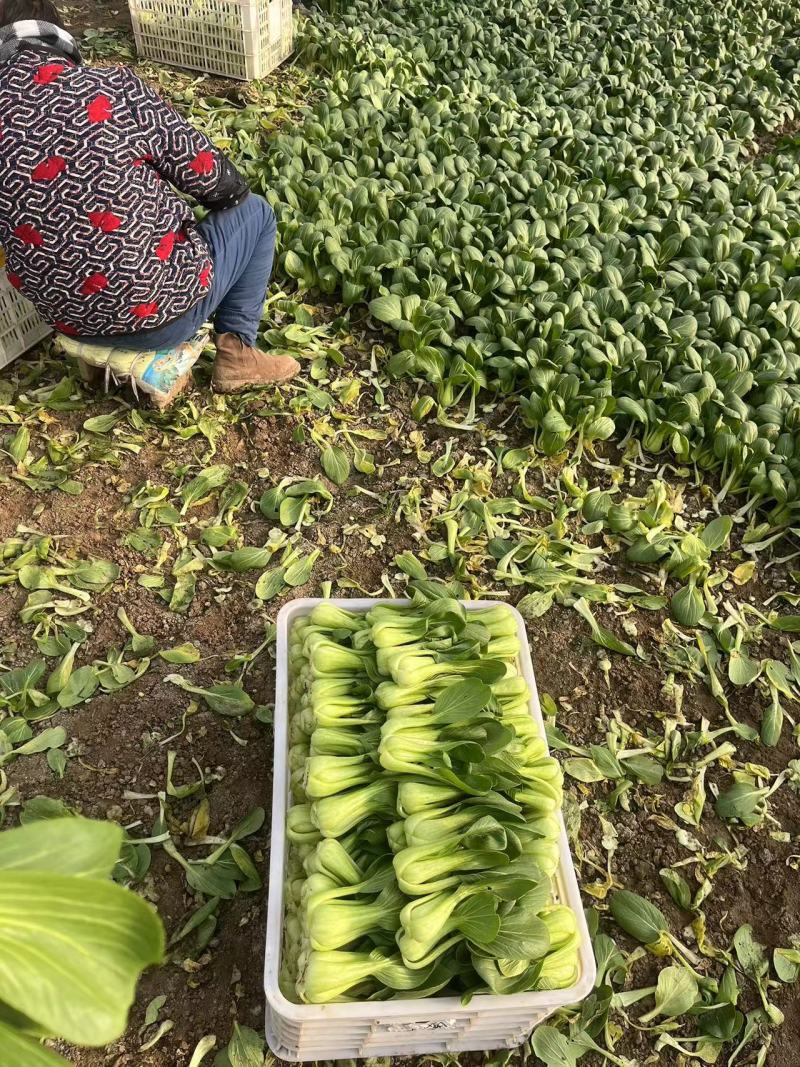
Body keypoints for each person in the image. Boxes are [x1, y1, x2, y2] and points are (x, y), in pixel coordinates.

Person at [0, 0, 300, 392]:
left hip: (64, 321)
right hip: (160, 318)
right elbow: (220, 184)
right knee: (256, 213)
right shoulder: (111, 88)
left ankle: (98, 359)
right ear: (57, 37)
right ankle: (238, 354)